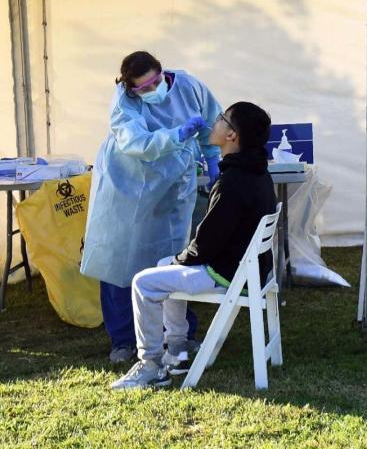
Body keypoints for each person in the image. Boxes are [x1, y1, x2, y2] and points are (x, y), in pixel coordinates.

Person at [111, 102, 276, 390]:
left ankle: (151, 366)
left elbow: (207, 243)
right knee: (165, 266)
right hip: (246, 269)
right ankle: (177, 348)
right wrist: (179, 259)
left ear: (232, 136)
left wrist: (182, 257)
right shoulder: (257, 170)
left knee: (142, 283)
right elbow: (210, 240)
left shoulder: (233, 181)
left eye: (222, 119)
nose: (215, 122)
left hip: (227, 273)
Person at [81, 51, 222, 363]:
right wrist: (178, 134)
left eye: (156, 82)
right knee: (120, 261)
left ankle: (179, 335)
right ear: (130, 88)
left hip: (171, 187)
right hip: (127, 185)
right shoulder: (124, 102)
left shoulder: (188, 85)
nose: (152, 90)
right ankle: (122, 340)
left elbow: (213, 121)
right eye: (143, 88)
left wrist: (213, 160)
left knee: (171, 260)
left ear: (163, 72)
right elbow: (136, 143)